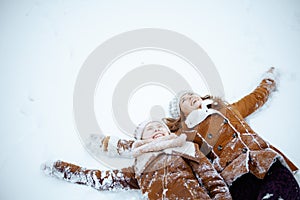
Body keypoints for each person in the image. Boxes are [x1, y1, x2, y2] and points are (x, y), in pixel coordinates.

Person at [163, 67, 300, 199]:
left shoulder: (227, 109)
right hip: (234, 173)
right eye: (183, 100)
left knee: (285, 187)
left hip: (263, 157)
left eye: (190, 93)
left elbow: (255, 98)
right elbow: (170, 148)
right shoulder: (187, 132)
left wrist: (268, 80)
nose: (190, 96)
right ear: (181, 115)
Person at [42, 121, 232, 200]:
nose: (157, 129)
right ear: (142, 139)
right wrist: (65, 169)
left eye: (160, 127)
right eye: (150, 129)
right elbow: (104, 179)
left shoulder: (184, 146)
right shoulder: (140, 162)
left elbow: (211, 178)